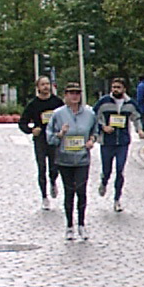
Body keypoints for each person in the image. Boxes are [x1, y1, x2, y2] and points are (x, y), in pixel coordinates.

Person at [47, 83, 100, 241]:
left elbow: (95, 131)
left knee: (82, 191)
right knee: (69, 191)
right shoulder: (58, 114)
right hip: (65, 159)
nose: (74, 96)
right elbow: (49, 137)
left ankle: (82, 224)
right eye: (71, 93)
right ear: (66, 95)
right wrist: (60, 134)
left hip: (82, 158)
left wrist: (92, 140)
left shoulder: (89, 114)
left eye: (77, 93)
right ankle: (69, 225)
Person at [94, 77, 142, 210]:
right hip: (107, 142)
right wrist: (103, 127)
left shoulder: (130, 103)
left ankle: (117, 199)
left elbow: (136, 117)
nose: (115, 90)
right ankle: (104, 181)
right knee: (107, 170)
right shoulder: (104, 102)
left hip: (123, 142)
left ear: (124, 89)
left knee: (120, 170)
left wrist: (140, 129)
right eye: (113, 87)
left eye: (118, 87)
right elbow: (95, 117)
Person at [18, 76, 64, 208]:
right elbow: (22, 122)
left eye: (47, 84)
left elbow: (65, 117)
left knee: (55, 167)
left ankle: (53, 181)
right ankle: (44, 196)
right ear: (38, 87)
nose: (45, 87)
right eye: (42, 84)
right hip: (40, 140)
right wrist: (31, 130)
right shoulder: (33, 105)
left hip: (54, 139)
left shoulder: (57, 102)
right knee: (41, 168)